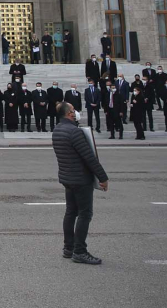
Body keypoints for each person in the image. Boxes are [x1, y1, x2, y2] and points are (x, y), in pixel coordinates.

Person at [52, 102, 108, 264]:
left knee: (71, 212)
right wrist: (103, 178)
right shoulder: (74, 132)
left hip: (67, 178)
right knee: (85, 214)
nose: (75, 112)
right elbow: (89, 158)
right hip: (81, 179)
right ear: (70, 113)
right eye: (74, 110)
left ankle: (68, 248)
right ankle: (80, 251)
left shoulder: (57, 130)